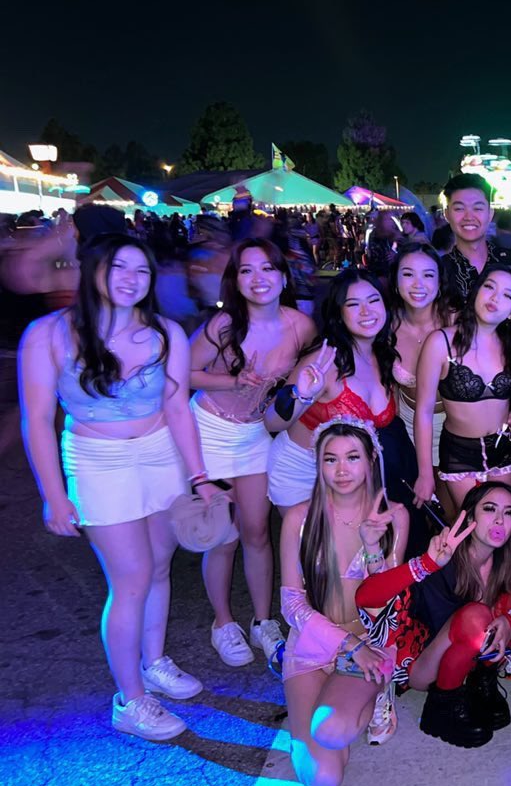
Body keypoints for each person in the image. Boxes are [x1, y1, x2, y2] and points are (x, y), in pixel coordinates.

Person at [19, 234, 222, 740]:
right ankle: (130, 701)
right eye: (119, 267)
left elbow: (177, 408)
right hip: (97, 460)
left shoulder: (165, 332)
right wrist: (54, 495)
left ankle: (153, 662)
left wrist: (200, 477)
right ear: (93, 270)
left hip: (160, 455)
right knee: (131, 577)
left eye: (142, 270)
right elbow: (37, 419)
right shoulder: (49, 334)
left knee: (159, 565)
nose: (131, 279)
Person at [189, 238, 317, 667]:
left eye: (267, 269)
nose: (258, 278)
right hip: (210, 429)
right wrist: (232, 381)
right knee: (222, 536)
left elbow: (309, 377)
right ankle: (223, 623)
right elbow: (182, 372)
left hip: (256, 434)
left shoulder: (301, 326)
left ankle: (263, 621)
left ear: (283, 276)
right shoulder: (224, 324)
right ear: (236, 279)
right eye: (247, 270)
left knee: (257, 531)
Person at [356, 482, 511, 749]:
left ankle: (481, 684)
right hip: (426, 666)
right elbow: (366, 598)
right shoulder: (445, 558)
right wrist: (425, 563)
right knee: (477, 615)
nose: (499, 520)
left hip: (471, 658)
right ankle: (441, 710)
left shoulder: (510, 556)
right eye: (489, 509)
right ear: (470, 518)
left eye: (509, 513)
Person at [279, 419, 410, 786]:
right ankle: (316, 711)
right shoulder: (299, 518)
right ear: (318, 464)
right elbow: (291, 603)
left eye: (352, 457)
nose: (341, 470)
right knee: (323, 779)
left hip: (369, 644)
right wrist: (345, 644)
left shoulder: (393, 515)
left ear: (371, 460)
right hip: (312, 643)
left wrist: (372, 547)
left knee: (332, 731)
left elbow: (391, 601)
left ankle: (376, 693)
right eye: (330, 459)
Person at [264, 270, 421, 549]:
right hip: (302, 472)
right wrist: (301, 395)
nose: (366, 311)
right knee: (314, 557)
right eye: (353, 304)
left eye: (373, 300)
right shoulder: (324, 360)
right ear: (339, 313)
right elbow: (272, 422)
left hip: (348, 474)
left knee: (348, 556)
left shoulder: (383, 355)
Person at [412, 265, 511, 512]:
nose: (495, 298)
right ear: (475, 292)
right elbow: (423, 412)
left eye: (507, 295)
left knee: (500, 525)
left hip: (503, 449)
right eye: (489, 287)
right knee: (471, 525)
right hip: (459, 453)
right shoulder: (440, 342)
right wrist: (424, 473)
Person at [387, 243, 458, 497]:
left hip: (454, 429)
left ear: (439, 282)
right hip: (407, 427)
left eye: (428, 275)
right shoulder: (384, 324)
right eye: (408, 274)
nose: (418, 284)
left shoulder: (458, 323)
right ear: (396, 281)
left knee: (451, 507)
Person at [440, 174, 511, 305]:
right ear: (447, 214)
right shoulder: (438, 271)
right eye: (459, 209)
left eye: (478, 208)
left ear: (490, 213)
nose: (469, 217)